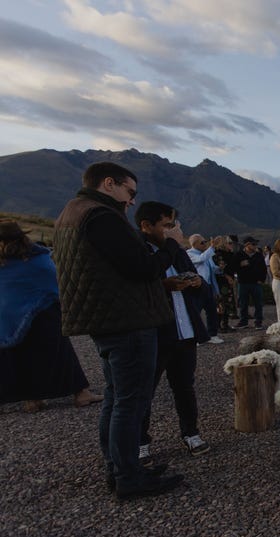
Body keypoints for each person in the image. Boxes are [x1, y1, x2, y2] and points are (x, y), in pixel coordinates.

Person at [52, 161, 183, 499]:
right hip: (127, 320)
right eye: (130, 192)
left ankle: (120, 467)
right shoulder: (101, 216)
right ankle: (128, 476)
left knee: (116, 396)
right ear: (109, 183)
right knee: (131, 400)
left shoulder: (72, 213)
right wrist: (171, 245)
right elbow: (141, 268)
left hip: (107, 319)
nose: (131, 201)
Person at [0, 219, 102, 413]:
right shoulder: (35, 258)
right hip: (41, 313)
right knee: (59, 351)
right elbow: (52, 282)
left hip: (6, 318)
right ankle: (81, 393)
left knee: (13, 356)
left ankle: (32, 398)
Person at [136, 203, 211, 461]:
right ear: (146, 226)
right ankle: (140, 442)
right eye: (167, 225)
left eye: (173, 225)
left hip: (185, 331)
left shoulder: (178, 253)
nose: (172, 231)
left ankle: (190, 432)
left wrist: (197, 283)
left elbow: (202, 290)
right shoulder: (139, 250)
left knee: (185, 387)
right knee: (145, 389)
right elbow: (138, 285)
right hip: (156, 333)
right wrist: (164, 286)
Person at [186, 233, 223, 343]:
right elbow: (200, 260)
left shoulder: (206, 254)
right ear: (194, 244)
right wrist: (211, 247)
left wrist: (219, 268)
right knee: (195, 311)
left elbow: (211, 268)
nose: (205, 244)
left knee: (211, 311)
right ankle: (195, 336)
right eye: (202, 242)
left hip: (208, 286)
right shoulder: (190, 254)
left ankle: (212, 334)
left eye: (205, 241)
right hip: (196, 286)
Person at [233, 236, 267, 329]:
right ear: (247, 245)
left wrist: (262, 280)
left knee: (258, 303)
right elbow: (233, 267)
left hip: (256, 283)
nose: (256, 246)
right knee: (243, 303)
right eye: (253, 244)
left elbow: (264, 269)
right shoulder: (239, 255)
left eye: (256, 244)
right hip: (243, 282)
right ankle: (243, 321)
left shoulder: (259, 255)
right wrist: (240, 264)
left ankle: (258, 322)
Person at [210, 235, 237, 333]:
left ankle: (225, 323)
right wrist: (227, 276)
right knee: (221, 302)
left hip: (228, 282)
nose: (231, 245)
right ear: (223, 244)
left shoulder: (229, 254)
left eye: (231, 243)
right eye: (229, 243)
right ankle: (219, 325)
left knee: (228, 302)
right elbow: (219, 268)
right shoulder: (219, 254)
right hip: (221, 282)